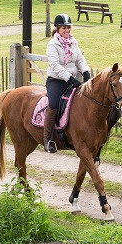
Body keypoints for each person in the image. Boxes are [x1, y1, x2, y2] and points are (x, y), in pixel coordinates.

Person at [44, 13, 91, 153]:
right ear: (58, 28)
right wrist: (70, 78)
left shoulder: (73, 42)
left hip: (73, 80)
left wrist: (86, 72)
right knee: (53, 104)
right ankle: (47, 139)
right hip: (56, 81)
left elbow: (80, 59)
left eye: (69, 27)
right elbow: (55, 66)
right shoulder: (52, 44)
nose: (67, 30)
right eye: (64, 28)